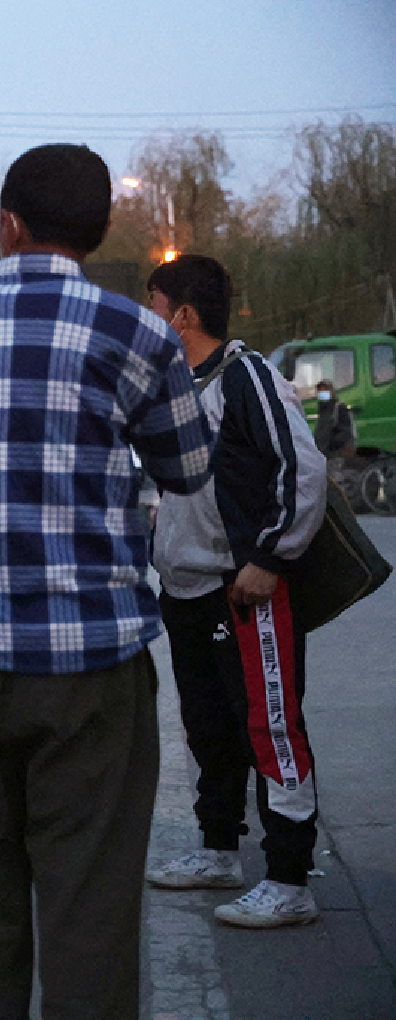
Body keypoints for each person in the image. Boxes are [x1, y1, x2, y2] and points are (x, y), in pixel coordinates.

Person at [0, 144, 214, 1019]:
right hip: (95, 675)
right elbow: (188, 469)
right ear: (96, 235)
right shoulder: (138, 334)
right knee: (90, 915)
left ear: (7, 225)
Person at [145, 255, 328, 928]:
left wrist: (269, 558)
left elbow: (302, 470)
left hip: (244, 587)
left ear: (183, 316)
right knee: (209, 727)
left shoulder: (246, 377)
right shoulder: (170, 388)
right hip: (186, 587)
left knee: (270, 725)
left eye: (154, 307)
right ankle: (219, 848)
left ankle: (289, 879)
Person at [312, 378, 355, 462]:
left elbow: (346, 432)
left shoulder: (339, 408)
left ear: (332, 391)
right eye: (320, 390)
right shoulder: (323, 410)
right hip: (322, 456)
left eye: (325, 389)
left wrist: (330, 446)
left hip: (336, 455)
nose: (322, 392)